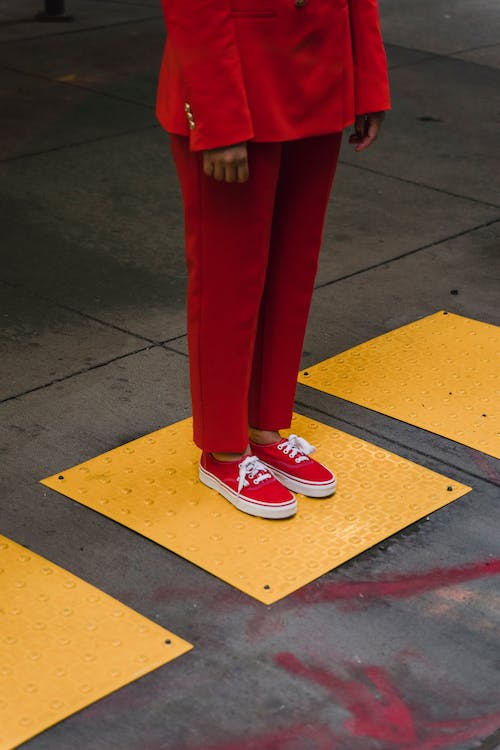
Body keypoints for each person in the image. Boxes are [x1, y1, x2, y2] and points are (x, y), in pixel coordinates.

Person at [157, 0, 390, 520]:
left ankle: (264, 428)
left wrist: (367, 82)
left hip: (321, 75)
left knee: (292, 271)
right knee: (229, 279)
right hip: (236, 81)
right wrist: (218, 119)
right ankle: (223, 450)